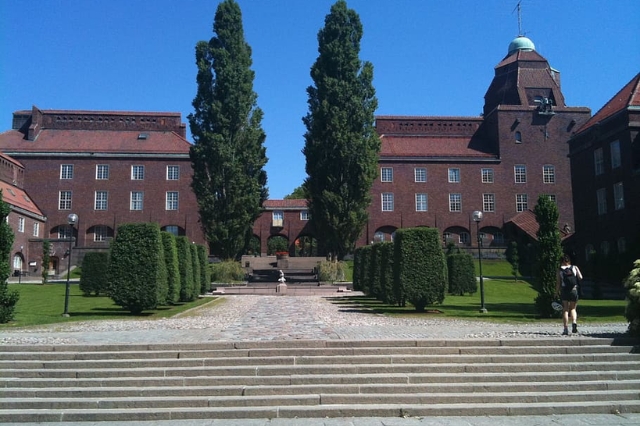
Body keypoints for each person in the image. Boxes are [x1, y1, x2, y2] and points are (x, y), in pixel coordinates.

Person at [556, 254, 583, 335]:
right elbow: (581, 277)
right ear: (569, 260)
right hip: (574, 290)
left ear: (561, 261)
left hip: (565, 290)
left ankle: (565, 329)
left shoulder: (559, 270)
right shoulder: (574, 267)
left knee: (565, 309)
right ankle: (574, 322)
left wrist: (556, 292)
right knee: (573, 309)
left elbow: (558, 283)